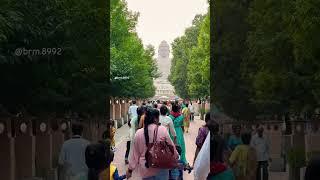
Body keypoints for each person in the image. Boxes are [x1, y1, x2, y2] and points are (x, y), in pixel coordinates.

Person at [126, 108, 178, 179]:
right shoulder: (162, 129)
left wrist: (130, 170)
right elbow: (171, 147)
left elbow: (135, 154)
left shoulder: (138, 133)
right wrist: (176, 156)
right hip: (161, 166)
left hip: (145, 168)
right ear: (156, 119)